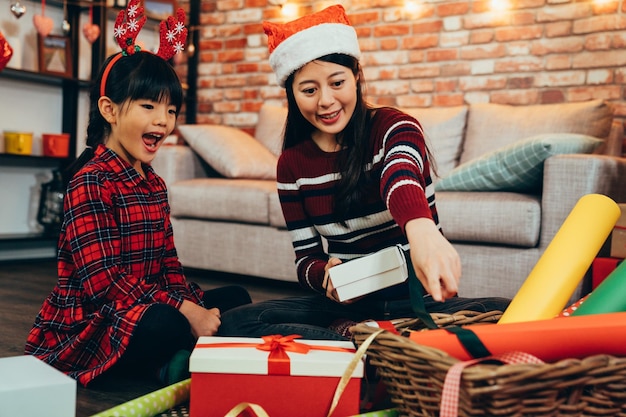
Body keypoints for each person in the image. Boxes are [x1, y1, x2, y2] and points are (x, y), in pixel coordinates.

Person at [218, 5, 509, 340]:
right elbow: (305, 259)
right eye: (309, 90)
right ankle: (372, 342)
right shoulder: (292, 164)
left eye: (337, 82)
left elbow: (400, 177)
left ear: (356, 76)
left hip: (417, 303)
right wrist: (324, 276)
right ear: (292, 95)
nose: (326, 101)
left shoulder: (393, 127)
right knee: (237, 322)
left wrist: (423, 231)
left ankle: (359, 344)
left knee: (513, 314)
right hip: (348, 307)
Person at [24, 2, 251, 387]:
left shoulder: (154, 184)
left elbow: (167, 263)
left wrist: (193, 305)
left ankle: (181, 352)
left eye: (171, 110)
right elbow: (103, 283)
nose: (163, 120)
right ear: (110, 111)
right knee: (163, 322)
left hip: (146, 301)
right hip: (95, 318)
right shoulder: (90, 181)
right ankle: (166, 364)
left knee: (235, 297)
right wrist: (184, 310)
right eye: (148, 107)